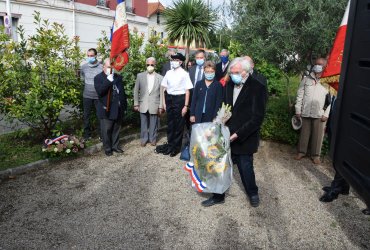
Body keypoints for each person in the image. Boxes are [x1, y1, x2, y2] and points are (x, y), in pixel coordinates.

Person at [202, 57, 267, 207]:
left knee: (246, 167)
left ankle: (252, 193)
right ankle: (218, 195)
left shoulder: (258, 87)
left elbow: (257, 118)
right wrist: (217, 122)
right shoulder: (229, 84)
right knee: (220, 166)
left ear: (246, 72)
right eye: (231, 72)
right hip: (226, 133)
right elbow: (224, 107)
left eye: (236, 72)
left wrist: (238, 134)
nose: (232, 75)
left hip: (245, 136)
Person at [295, 58, 331, 165]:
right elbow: (299, 96)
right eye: (316, 64)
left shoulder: (328, 81)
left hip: (320, 114)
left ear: (325, 66)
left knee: (318, 137)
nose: (317, 66)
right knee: (304, 134)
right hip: (305, 112)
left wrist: (326, 114)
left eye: (320, 64)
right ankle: (301, 152)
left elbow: (331, 100)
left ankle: (316, 156)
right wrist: (298, 109)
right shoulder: (306, 79)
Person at [160, 52, 193, 157]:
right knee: (170, 124)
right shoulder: (169, 73)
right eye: (173, 60)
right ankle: (170, 145)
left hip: (180, 99)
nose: (174, 62)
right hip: (169, 98)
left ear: (180, 62)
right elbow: (163, 87)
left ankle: (176, 148)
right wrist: (164, 102)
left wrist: (186, 106)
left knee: (179, 125)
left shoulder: (185, 74)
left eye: (176, 60)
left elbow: (187, 91)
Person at [94, 58, 127, 156]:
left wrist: (124, 106)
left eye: (112, 67)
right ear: (103, 66)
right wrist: (108, 80)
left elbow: (122, 93)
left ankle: (115, 146)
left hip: (117, 107)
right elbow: (100, 92)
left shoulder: (118, 77)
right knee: (106, 130)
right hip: (106, 108)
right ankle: (108, 148)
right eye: (108, 67)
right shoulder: (98, 78)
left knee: (116, 128)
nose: (110, 69)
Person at [133, 57, 164, 147]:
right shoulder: (140, 76)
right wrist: (136, 103)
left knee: (154, 123)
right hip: (143, 103)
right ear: (145, 65)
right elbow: (136, 90)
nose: (150, 66)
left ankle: (152, 139)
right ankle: (143, 139)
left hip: (155, 103)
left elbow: (162, 93)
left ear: (155, 65)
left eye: (152, 64)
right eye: (148, 65)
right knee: (143, 123)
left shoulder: (160, 78)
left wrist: (161, 106)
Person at [80, 48, 103, 140]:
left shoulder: (101, 67)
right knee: (86, 116)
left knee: (100, 116)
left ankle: (101, 135)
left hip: (98, 96)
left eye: (91, 56)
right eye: (88, 56)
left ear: (96, 56)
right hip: (87, 96)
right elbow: (82, 78)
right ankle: (87, 135)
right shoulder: (84, 67)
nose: (90, 57)